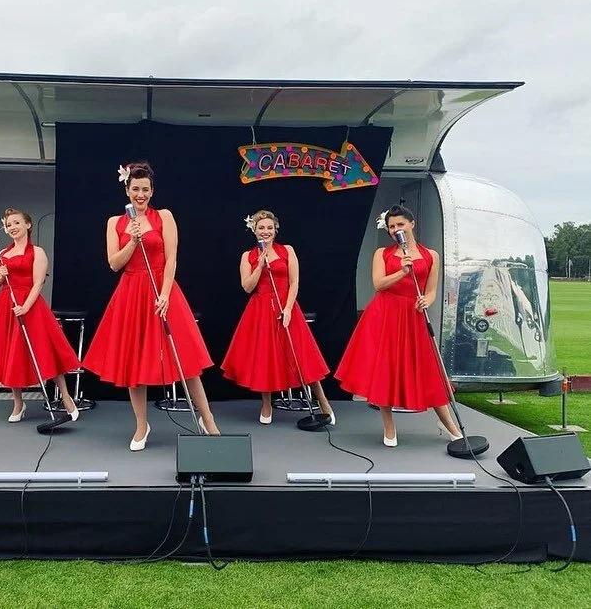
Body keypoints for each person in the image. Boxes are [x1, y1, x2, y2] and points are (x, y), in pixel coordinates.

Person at [83, 161, 220, 450]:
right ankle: (141, 426)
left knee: (187, 361)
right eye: (135, 189)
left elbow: (172, 258)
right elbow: (114, 263)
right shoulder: (115, 223)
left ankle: (209, 421)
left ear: (152, 190)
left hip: (162, 290)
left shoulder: (164, 217)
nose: (140, 194)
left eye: (145, 189)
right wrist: (132, 240)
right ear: (127, 189)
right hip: (131, 292)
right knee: (134, 364)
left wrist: (166, 293)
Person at [335, 204, 462, 447]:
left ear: (411, 224)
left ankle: (450, 426)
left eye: (400, 224)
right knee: (385, 370)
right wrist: (402, 272)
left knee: (427, 370)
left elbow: (432, 289)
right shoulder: (382, 253)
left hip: (413, 316)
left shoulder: (430, 255)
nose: (395, 229)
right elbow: (378, 284)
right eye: (392, 226)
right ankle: (389, 425)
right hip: (385, 314)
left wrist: (428, 300)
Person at [221, 209, 335, 425]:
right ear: (254, 231)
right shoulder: (248, 256)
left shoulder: (287, 251)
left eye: (269, 228)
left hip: (286, 306)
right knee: (266, 356)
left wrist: (289, 308)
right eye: (261, 228)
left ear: (275, 230)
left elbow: (294, 282)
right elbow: (247, 287)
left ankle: (323, 402)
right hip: (261, 308)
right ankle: (266, 403)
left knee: (302, 356)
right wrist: (259, 267)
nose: (266, 232)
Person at [0, 208, 81, 423]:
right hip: (6, 306)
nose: (12, 227)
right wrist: (1, 276)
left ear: (28, 225)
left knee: (46, 351)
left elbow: (38, 283)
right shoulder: (2, 254)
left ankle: (66, 397)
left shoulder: (37, 252)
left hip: (31, 306)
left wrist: (26, 307)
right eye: (8, 224)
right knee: (12, 353)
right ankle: (18, 403)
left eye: (16, 223)